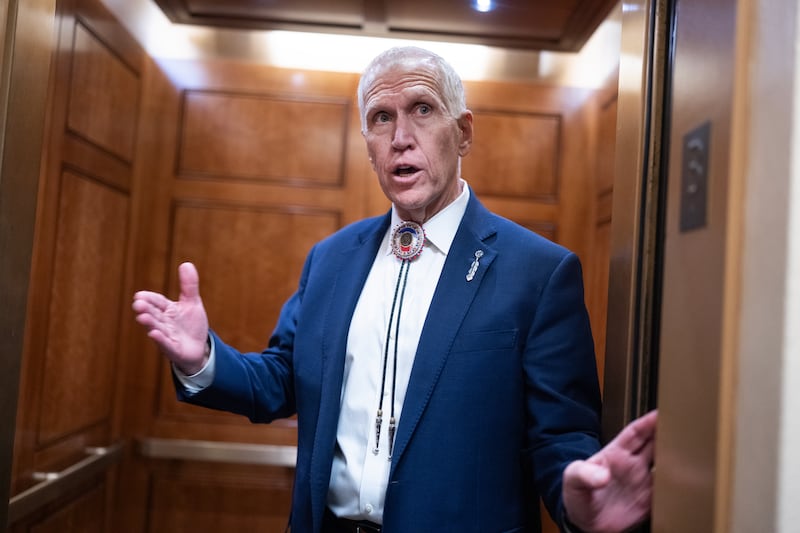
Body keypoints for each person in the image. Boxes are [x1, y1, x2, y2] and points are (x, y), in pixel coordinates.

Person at [132, 46, 657, 533]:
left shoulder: (538, 272)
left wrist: (577, 501)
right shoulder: (332, 258)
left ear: (464, 132)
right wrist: (202, 357)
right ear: (368, 145)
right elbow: (280, 380)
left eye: (422, 109)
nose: (400, 136)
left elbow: (560, 436)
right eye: (382, 118)